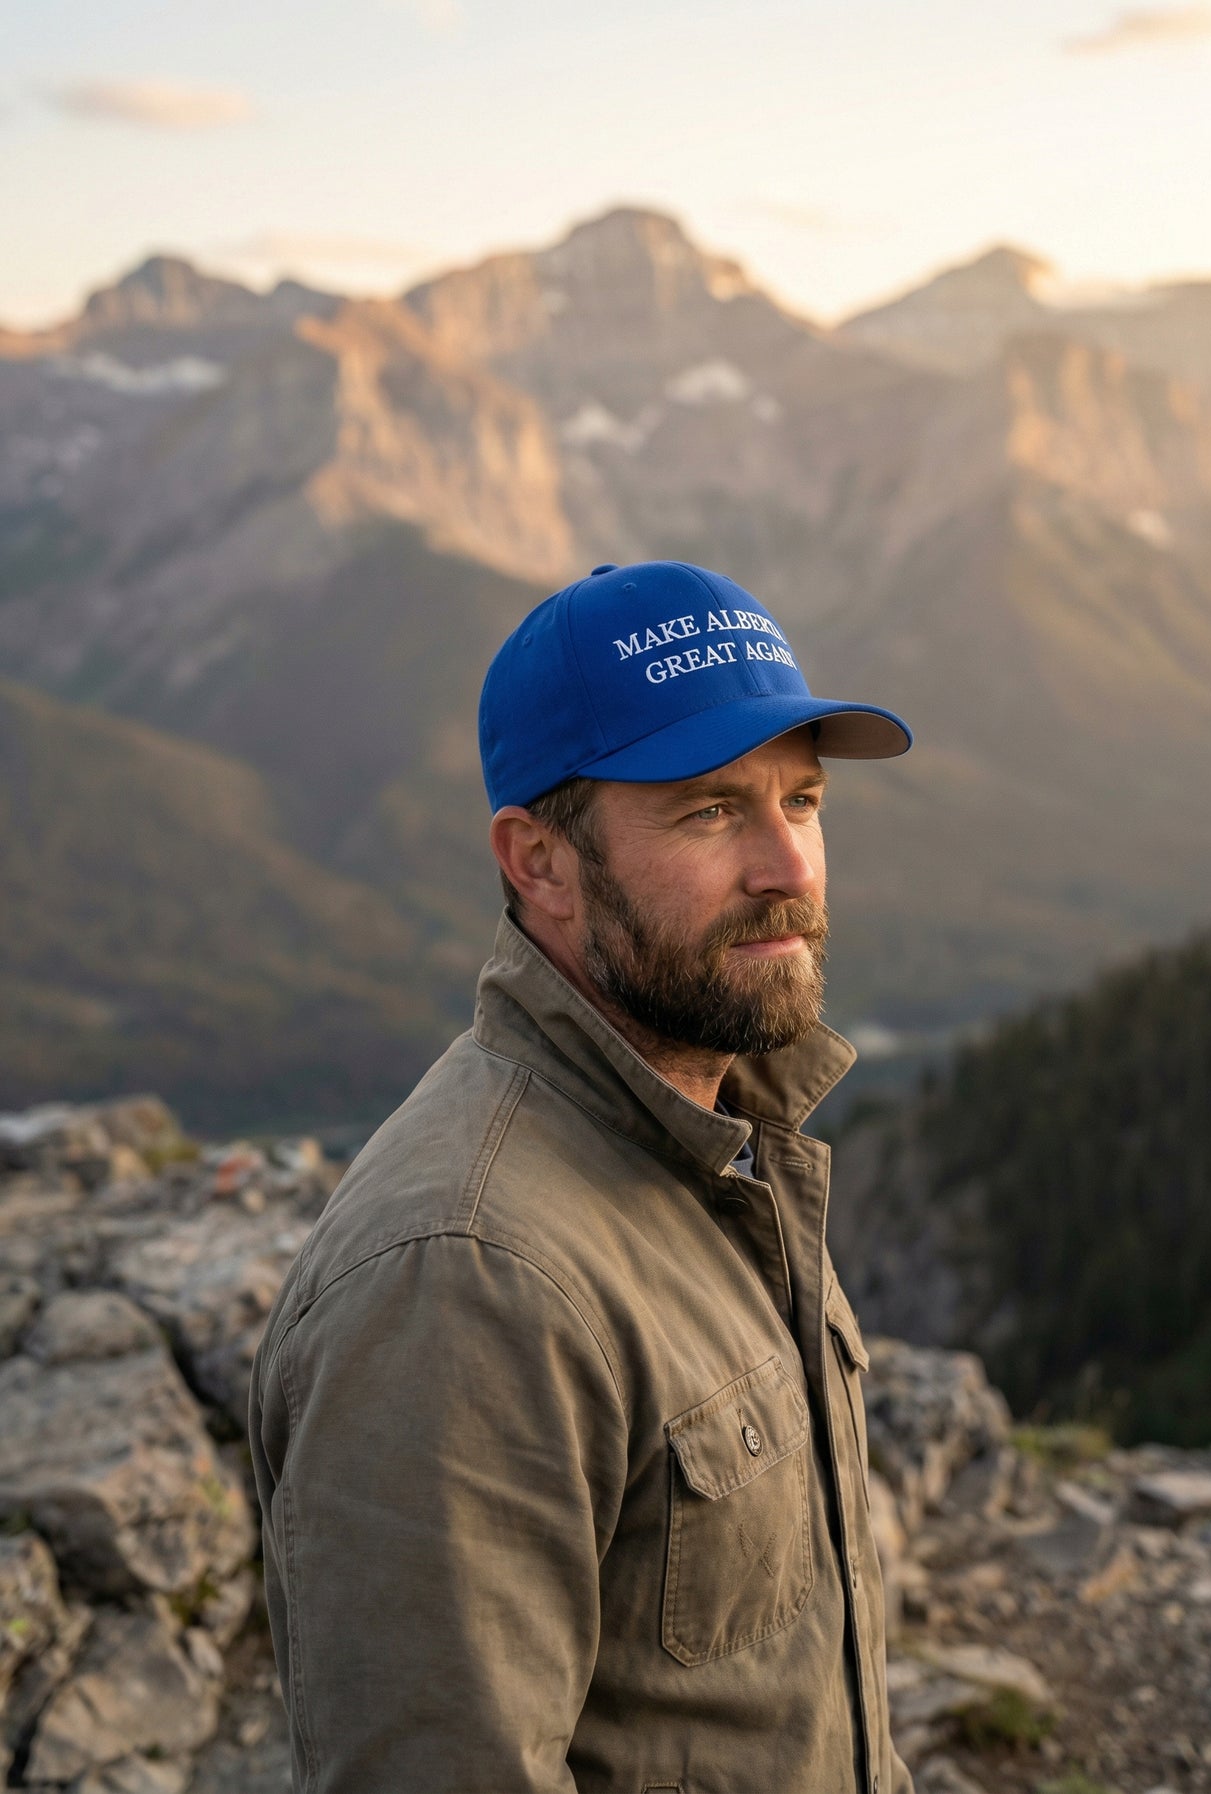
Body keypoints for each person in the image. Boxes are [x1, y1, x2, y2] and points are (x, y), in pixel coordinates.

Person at [248, 559, 917, 1793]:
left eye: (803, 801)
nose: (788, 866)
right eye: (713, 811)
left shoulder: (721, 1141)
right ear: (539, 864)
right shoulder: (463, 1278)